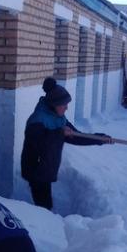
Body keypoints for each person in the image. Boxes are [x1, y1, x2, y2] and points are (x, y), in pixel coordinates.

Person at [21, 77, 115, 210]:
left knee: (44, 204)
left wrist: (99, 139)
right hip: (36, 169)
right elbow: (40, 144)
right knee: (44, 207)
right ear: (54, 104)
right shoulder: (37, 120)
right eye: (64, 104)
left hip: (46, 167)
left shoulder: (58, 118)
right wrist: (60, 133)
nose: (66, 108)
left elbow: (76, 136)